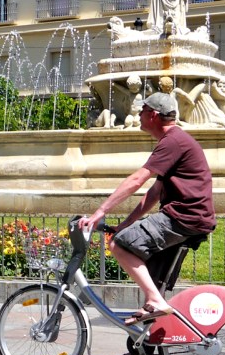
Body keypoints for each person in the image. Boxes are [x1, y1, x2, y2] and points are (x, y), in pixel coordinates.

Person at [78, 91, 215, 325]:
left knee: (119, 245)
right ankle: (145, 347)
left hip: (182, 217)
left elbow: (137, 180)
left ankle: (156, 300)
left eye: (142, 111)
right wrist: (126, 223)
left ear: (152, 115)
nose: (138, 115)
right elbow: (153, 193)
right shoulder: (175, 141)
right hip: (191, 218)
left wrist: (100, 211)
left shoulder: (172, 141)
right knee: (154, 279)